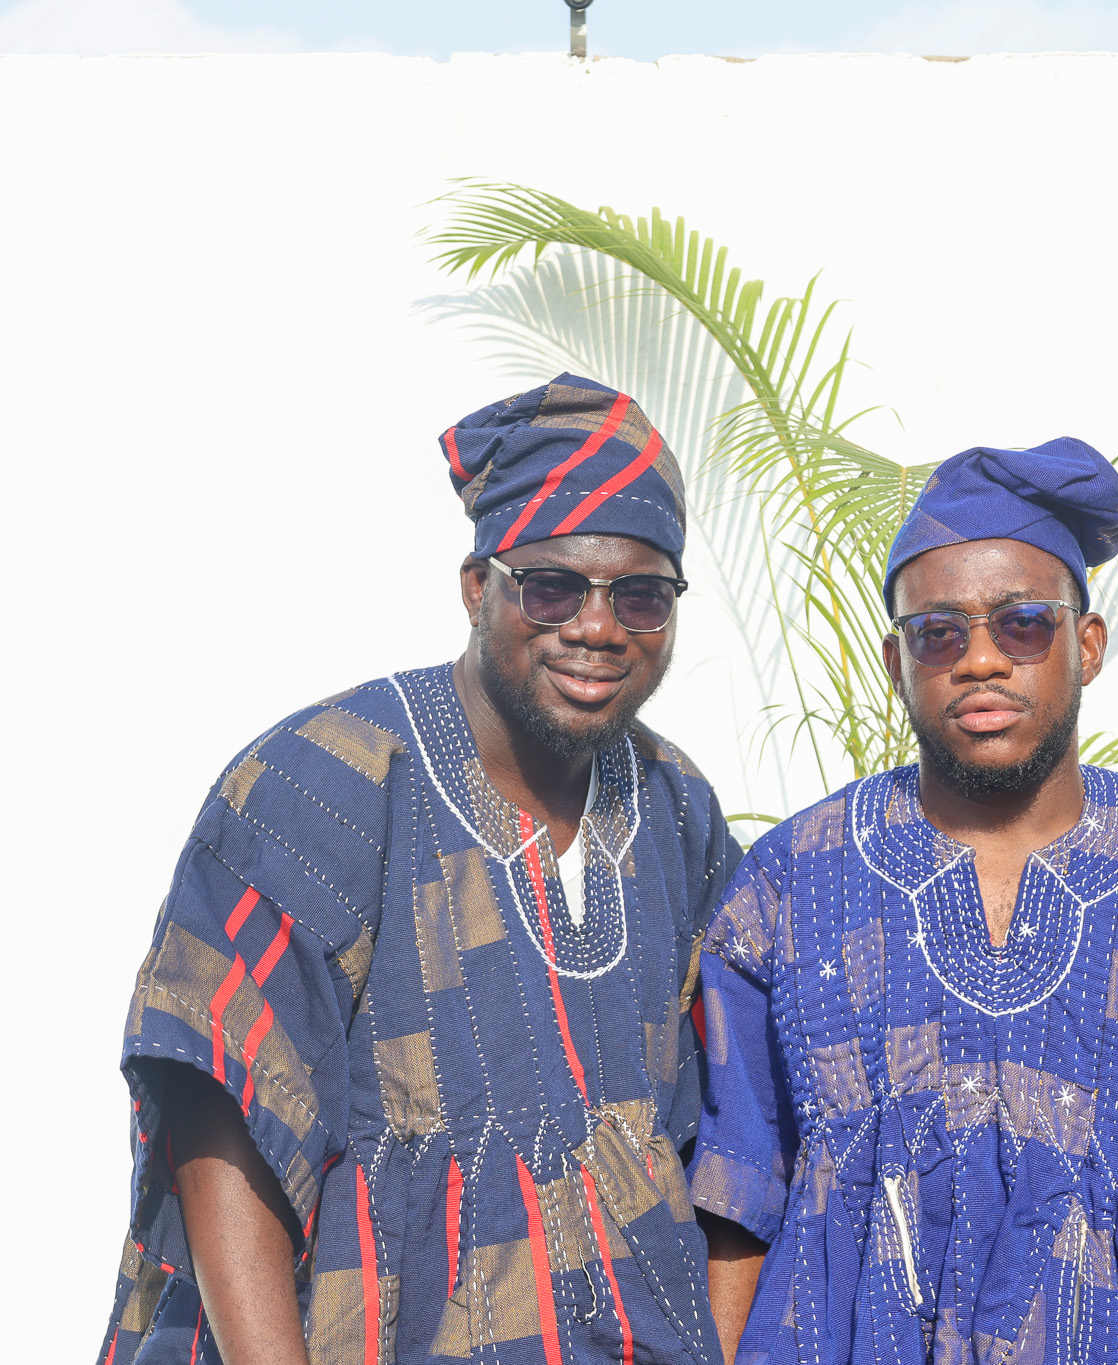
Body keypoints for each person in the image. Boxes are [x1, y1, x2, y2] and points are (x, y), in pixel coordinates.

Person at [98, 374, 741, 1364]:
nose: (598, 628)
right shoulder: (324, 781)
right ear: (479, 587)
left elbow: (728, 1139)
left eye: (642, 596)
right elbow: (220, 1110)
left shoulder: (676, 808)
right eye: (553, 587)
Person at [688, 439, 1118, 1365]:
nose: (980, 659)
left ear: (1086, 645)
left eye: (1022, 625)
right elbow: (738, 1194)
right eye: (938, 633)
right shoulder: (790, 885)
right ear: (896, 660)